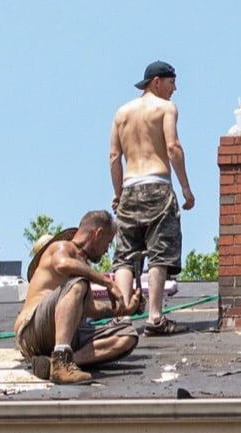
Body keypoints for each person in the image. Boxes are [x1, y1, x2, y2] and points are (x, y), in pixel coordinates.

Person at [109, 59, 196, 336]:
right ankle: (155, 318)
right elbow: (172, 146)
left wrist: (118, 193)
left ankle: (122, 318)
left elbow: (114, 156)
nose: (175, 89)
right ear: (156, 81)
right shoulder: (165, 108)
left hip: (130, 187)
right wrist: (185, 188)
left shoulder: (122, 112)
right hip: (157, 185)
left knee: (125, 254)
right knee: (160, 253)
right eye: (172, 83)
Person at [16, 209, 142, 385]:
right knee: (79, 283)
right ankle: (61, 359)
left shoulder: (81, 269)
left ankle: (61, 362)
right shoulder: (61, 248)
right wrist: (108, 283)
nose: (107, 250)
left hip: (63, 335)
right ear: (98, 233)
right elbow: (63, 265)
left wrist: (122, 310)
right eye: (108, 242)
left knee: (127, 335)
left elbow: (90, 308)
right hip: (33, 329)